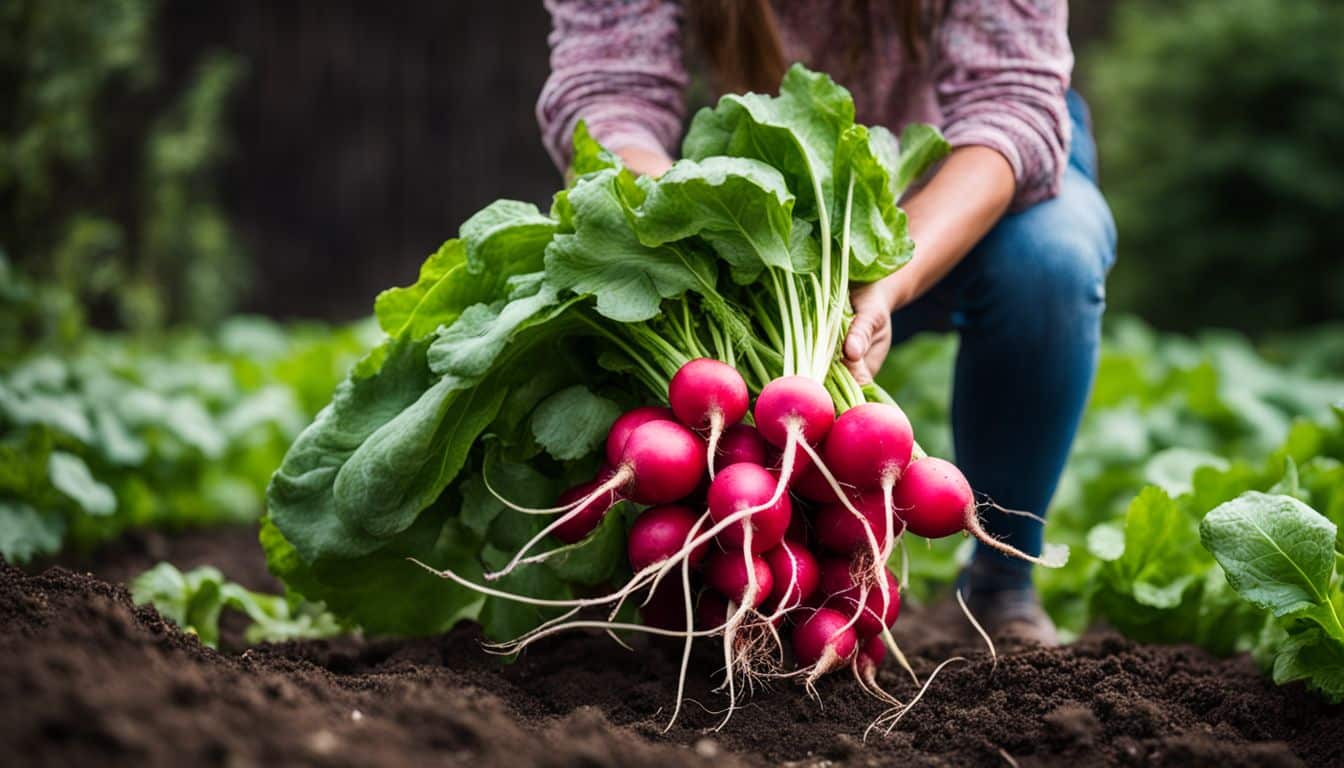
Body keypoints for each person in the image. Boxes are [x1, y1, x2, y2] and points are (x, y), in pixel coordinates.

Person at [537, 0, 1116, 645]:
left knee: (1051, 261)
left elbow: (1011, 105)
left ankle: (1002, 580)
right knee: (620, 265)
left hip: (964, 180)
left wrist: (892, 276)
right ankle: (734, 600)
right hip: (760, 209)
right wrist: (694, 224)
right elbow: (609, 97)